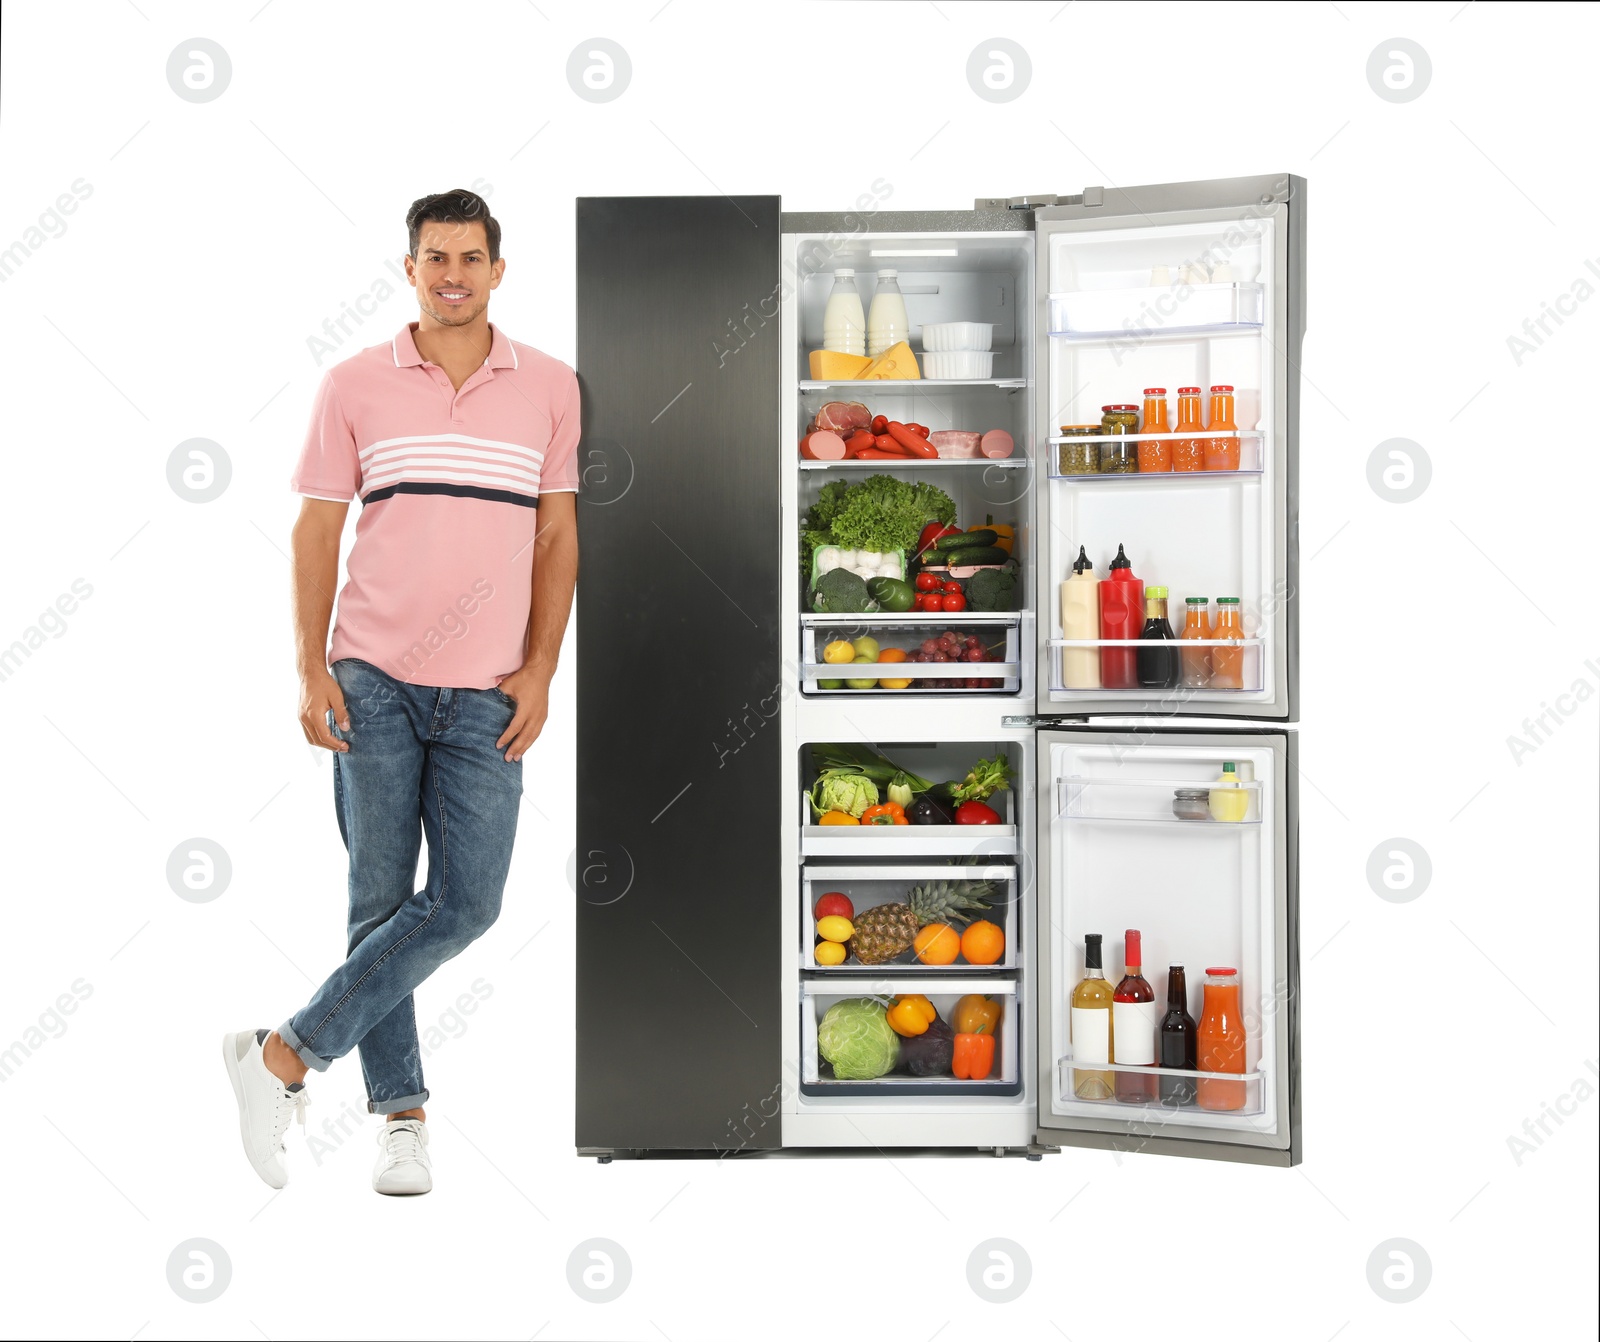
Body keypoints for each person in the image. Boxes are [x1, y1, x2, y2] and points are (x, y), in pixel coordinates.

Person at [222, 188, 579, 1196]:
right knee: (378, 902)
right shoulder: (352, 384)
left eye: (471, 257)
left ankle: (280, 1057)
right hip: (369, 675)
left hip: (486, 693)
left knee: (466, 903)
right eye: (435, 258)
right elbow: (314, 531)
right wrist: (307, 667)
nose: (453, 274)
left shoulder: (551, 387)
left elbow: (556, 536)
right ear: (411, 269)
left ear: (499, 270)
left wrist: (542, 668)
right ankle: (401, 1116)